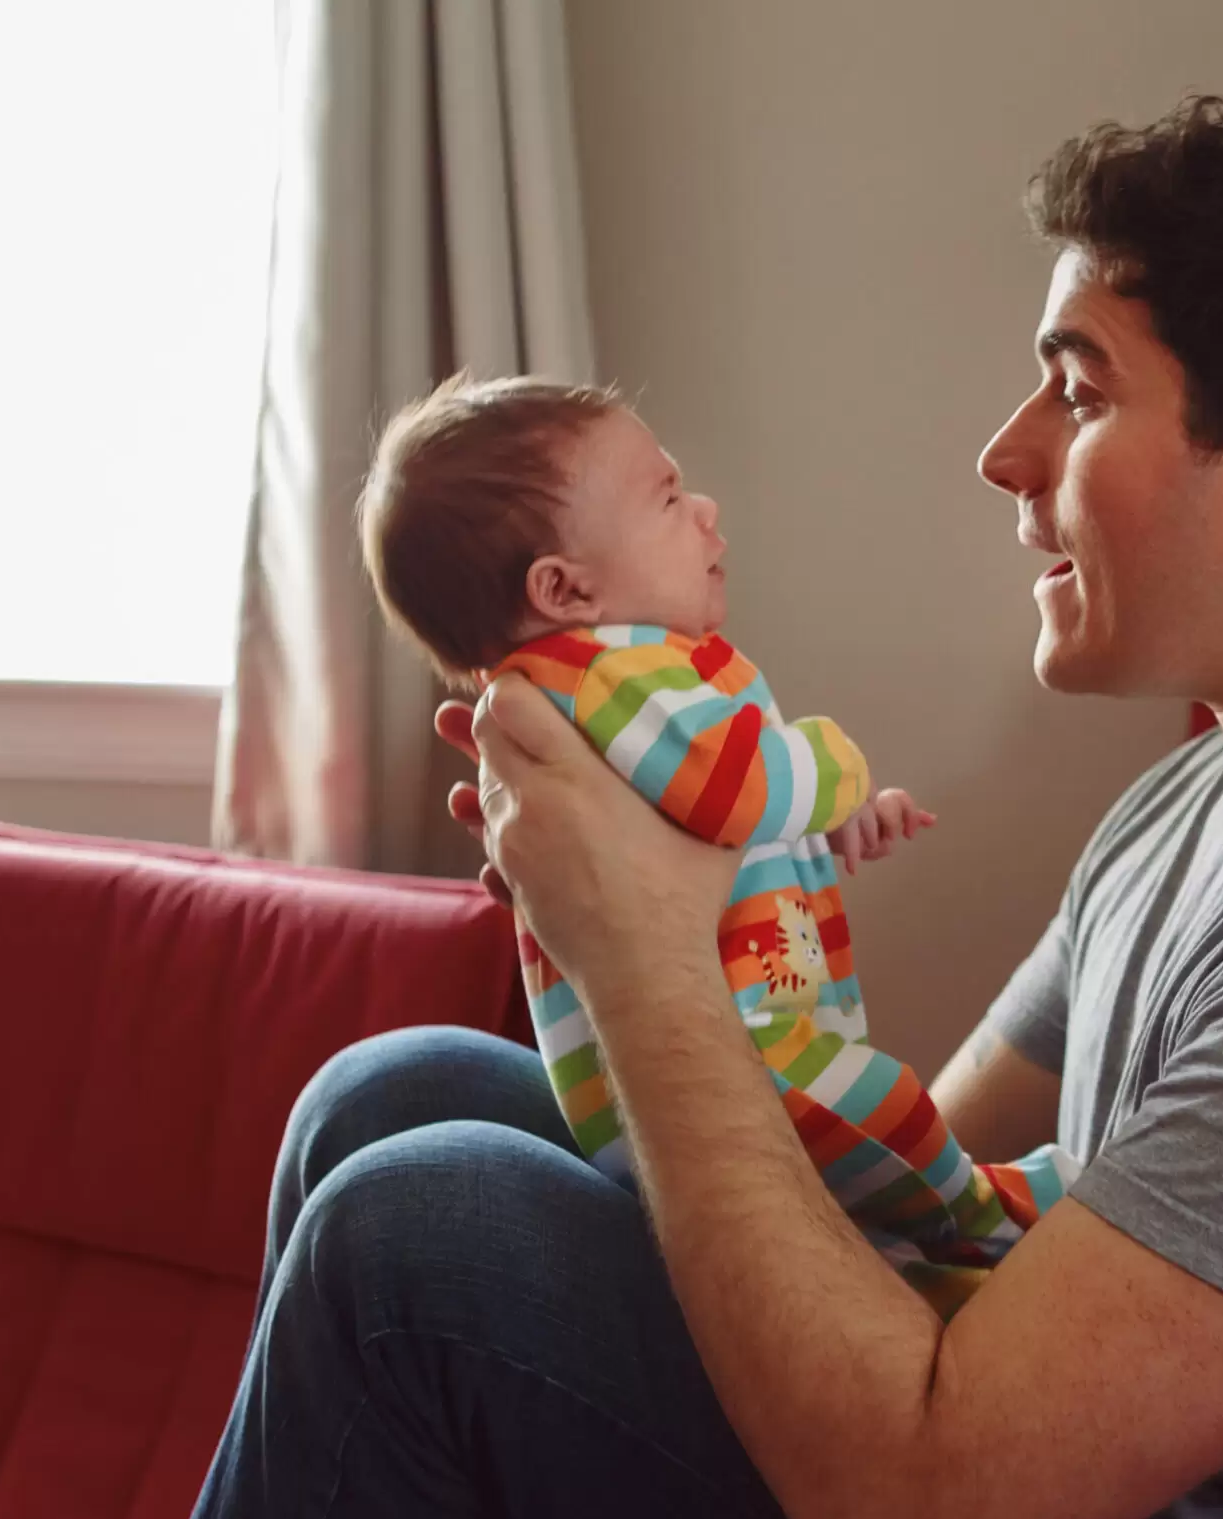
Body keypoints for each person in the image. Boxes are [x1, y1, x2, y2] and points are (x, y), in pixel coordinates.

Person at [132, 96, 1223, 1519]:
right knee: (395, 1097)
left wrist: (650, 967)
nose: (1005, 451)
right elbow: (896, 1191)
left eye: (1078, 390)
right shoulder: (1202, 799)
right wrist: (661, 890)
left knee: (421, 1245)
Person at [353, 374, 1078, 1314]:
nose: (703, 510)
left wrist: (829, 822)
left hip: (732, 1041)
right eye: (665, 497)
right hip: (730, 1061)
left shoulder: (626, 681)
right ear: (564, 587)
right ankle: (992, 1219)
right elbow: (735, 791)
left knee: (855, 1168)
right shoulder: (599, 678)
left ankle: (915, 1269)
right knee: (881, 1111)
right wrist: (837, 764)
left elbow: (710, 829)